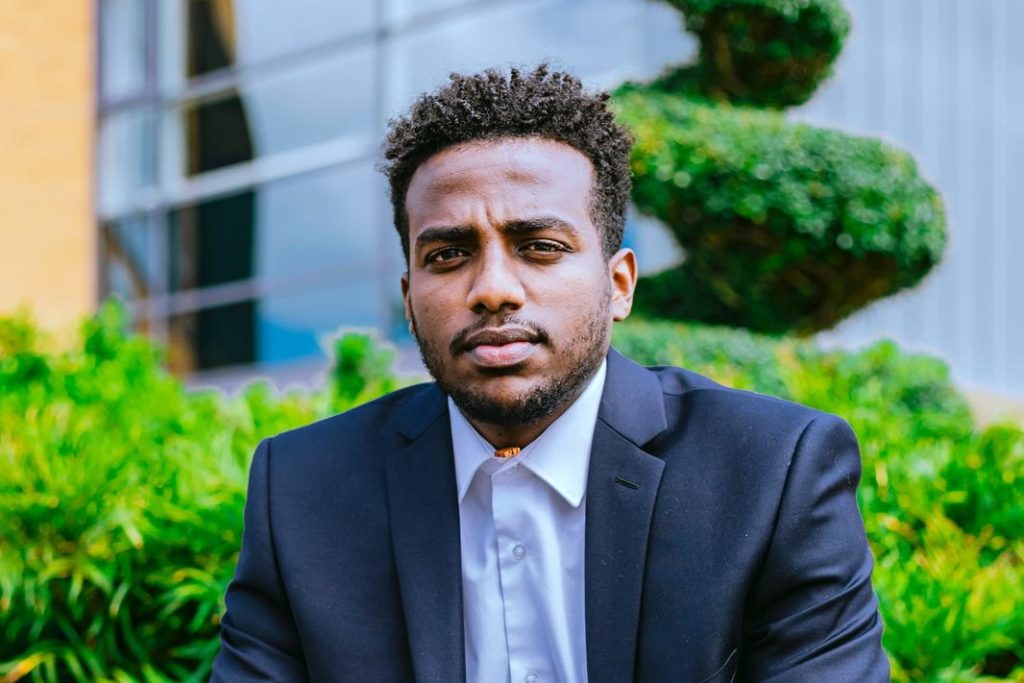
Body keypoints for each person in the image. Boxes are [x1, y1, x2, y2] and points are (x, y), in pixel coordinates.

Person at [211, 65, 889, 682]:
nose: (494, 289)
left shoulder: (773, 476)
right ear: (408, 292)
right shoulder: (302, 491)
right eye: (448, 255)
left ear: (619, 284)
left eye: (540, 247)